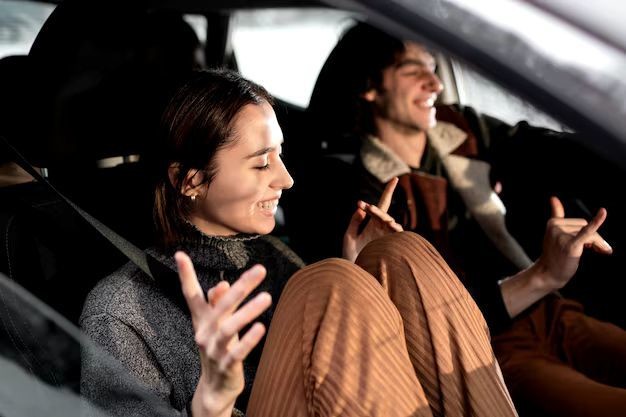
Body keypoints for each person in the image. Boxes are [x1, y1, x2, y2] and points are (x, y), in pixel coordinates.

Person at [80, 69, 518, 417]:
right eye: (261, 163)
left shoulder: (270, 256)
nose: (286, 179)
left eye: (281, 155)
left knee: (400, 254)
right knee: (327, 282)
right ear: (189, 180)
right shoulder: (120, 310)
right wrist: (211, 403)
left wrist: (359, 277)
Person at [298, 22, 626, 417]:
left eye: (434, 69)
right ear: (370, 88)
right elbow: (419, 324)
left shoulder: (458, 128)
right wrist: (542, 275)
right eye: (415, 71)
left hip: (547, 311)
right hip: (480, 348)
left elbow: (546, 149)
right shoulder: (351, 185)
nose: (434, 85)